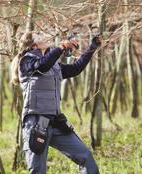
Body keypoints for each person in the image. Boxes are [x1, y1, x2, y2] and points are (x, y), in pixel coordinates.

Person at [11, 31, 101, 174]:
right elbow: (42, 65)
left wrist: (92, 47)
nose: (45, 37)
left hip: (56, 122)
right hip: (36, 123)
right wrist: (60, 48)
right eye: (39, 36)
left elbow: (76, 69)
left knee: (85, 156)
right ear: (34, 45)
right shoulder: (26, 62)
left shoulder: (54, 65)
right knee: (38, 170)